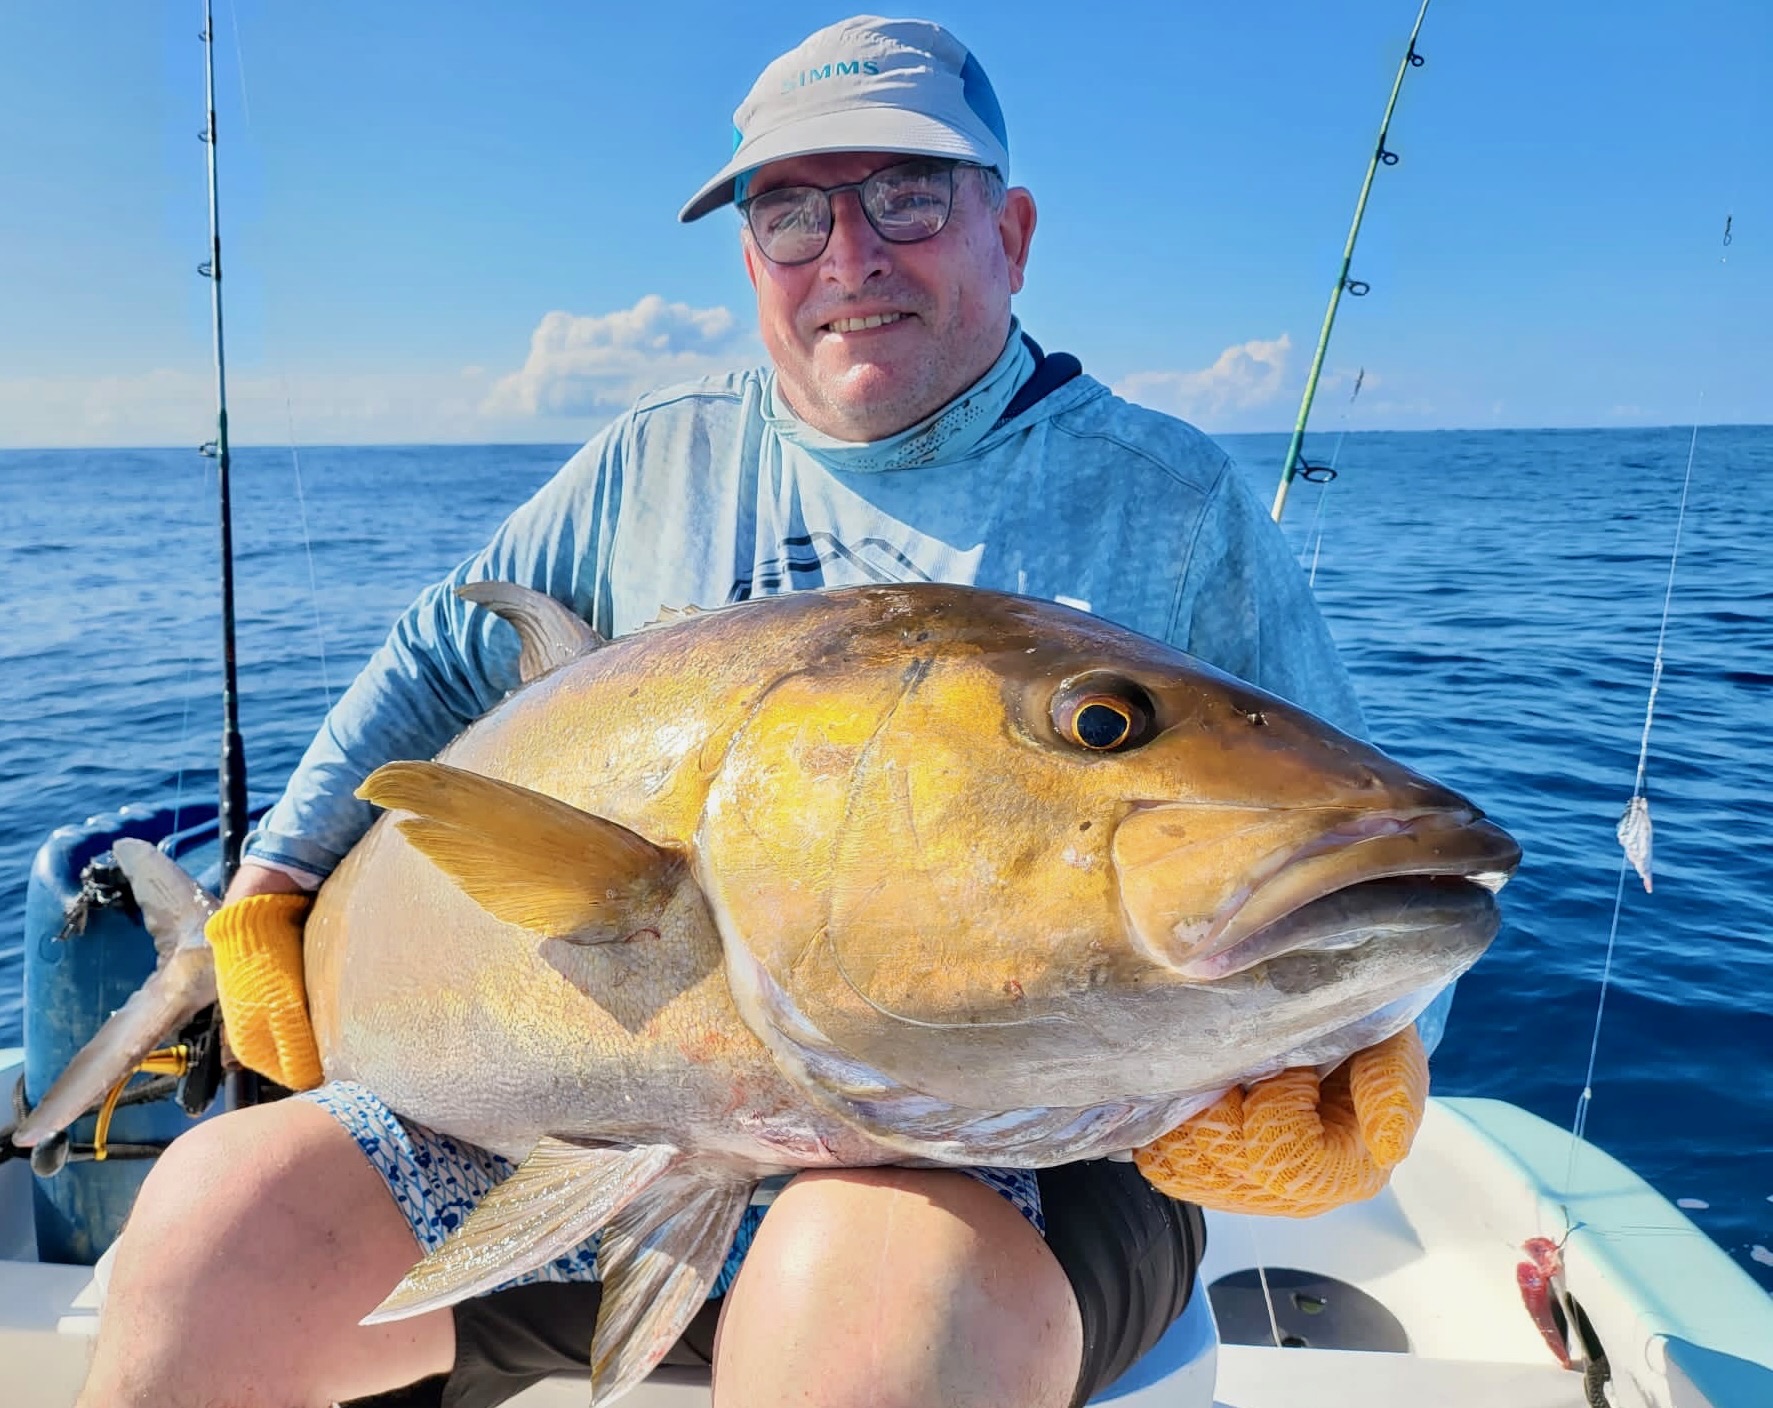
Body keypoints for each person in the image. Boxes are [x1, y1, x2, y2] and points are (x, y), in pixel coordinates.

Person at [80, 18, 1422, 1408]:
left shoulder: (1170, 501)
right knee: (212, 1228)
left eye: (907, 195)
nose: (850, 256)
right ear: (748, 259)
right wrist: (274, 886)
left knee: (862, 1295)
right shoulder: (652, 462)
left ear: (1008, 232)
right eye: (790, 212)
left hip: (1017, 1146)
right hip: (599, 1124)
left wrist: (1344, 1061)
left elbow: (1353, 860)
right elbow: (435, 655)